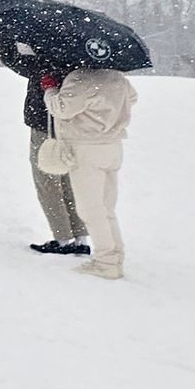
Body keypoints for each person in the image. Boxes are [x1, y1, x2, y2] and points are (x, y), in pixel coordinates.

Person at [0, 27, 86, 256]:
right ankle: (81, 237)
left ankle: (63, 239)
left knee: (47, 182)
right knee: (71, 181)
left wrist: (4, 30)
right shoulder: (81, 58)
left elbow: (11, 57)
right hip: (75, 126)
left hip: (45, 126)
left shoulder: (45, 61)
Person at [46, 67, 137, 280]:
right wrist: (107, 113)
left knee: (90, 209)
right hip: (112, 146)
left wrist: (49, 90)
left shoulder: (82, 78)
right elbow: (132, 97)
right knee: (106, 208)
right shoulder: (116, 76)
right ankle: (115, 257)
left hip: (86, 147)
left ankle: (105, 262)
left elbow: (61, 109)